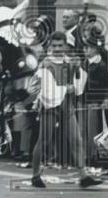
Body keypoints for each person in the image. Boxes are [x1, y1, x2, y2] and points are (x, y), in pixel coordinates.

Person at [30, 32, 103, 188]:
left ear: (65, 45)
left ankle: (83, 176)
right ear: (50, 46)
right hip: (50, 107)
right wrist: (66, 89)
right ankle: (35, 175)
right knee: (44, 141)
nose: (57, 48)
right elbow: (45, 90)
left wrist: (77, 70)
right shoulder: (45, 64)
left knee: (76, 140)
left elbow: (78, 87)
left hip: (67, 106)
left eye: (60, 45)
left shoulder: (70, 62)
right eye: (54, 45)